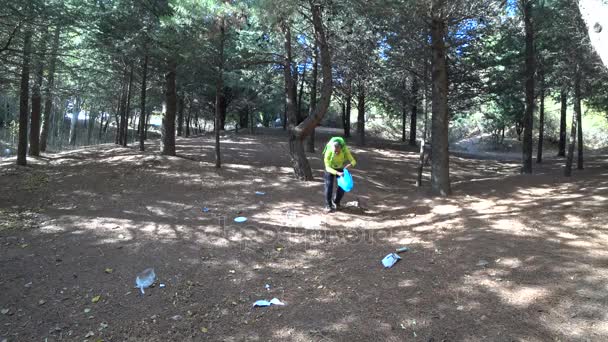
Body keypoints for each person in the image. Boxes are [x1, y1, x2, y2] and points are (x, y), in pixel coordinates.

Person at [322, 136, 356, 213]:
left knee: (343, 185)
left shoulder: (345, 150)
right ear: (332, 149)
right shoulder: (328, 151)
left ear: (341, 148)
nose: (336, 152)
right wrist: (338, 173)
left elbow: (353, 160)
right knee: (329, 185)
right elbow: (327, 167)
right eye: (335, 151)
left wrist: (350, 164)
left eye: (338, 151)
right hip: (330, 169)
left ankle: (336, 202)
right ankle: (328, 205)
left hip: (340, 167)